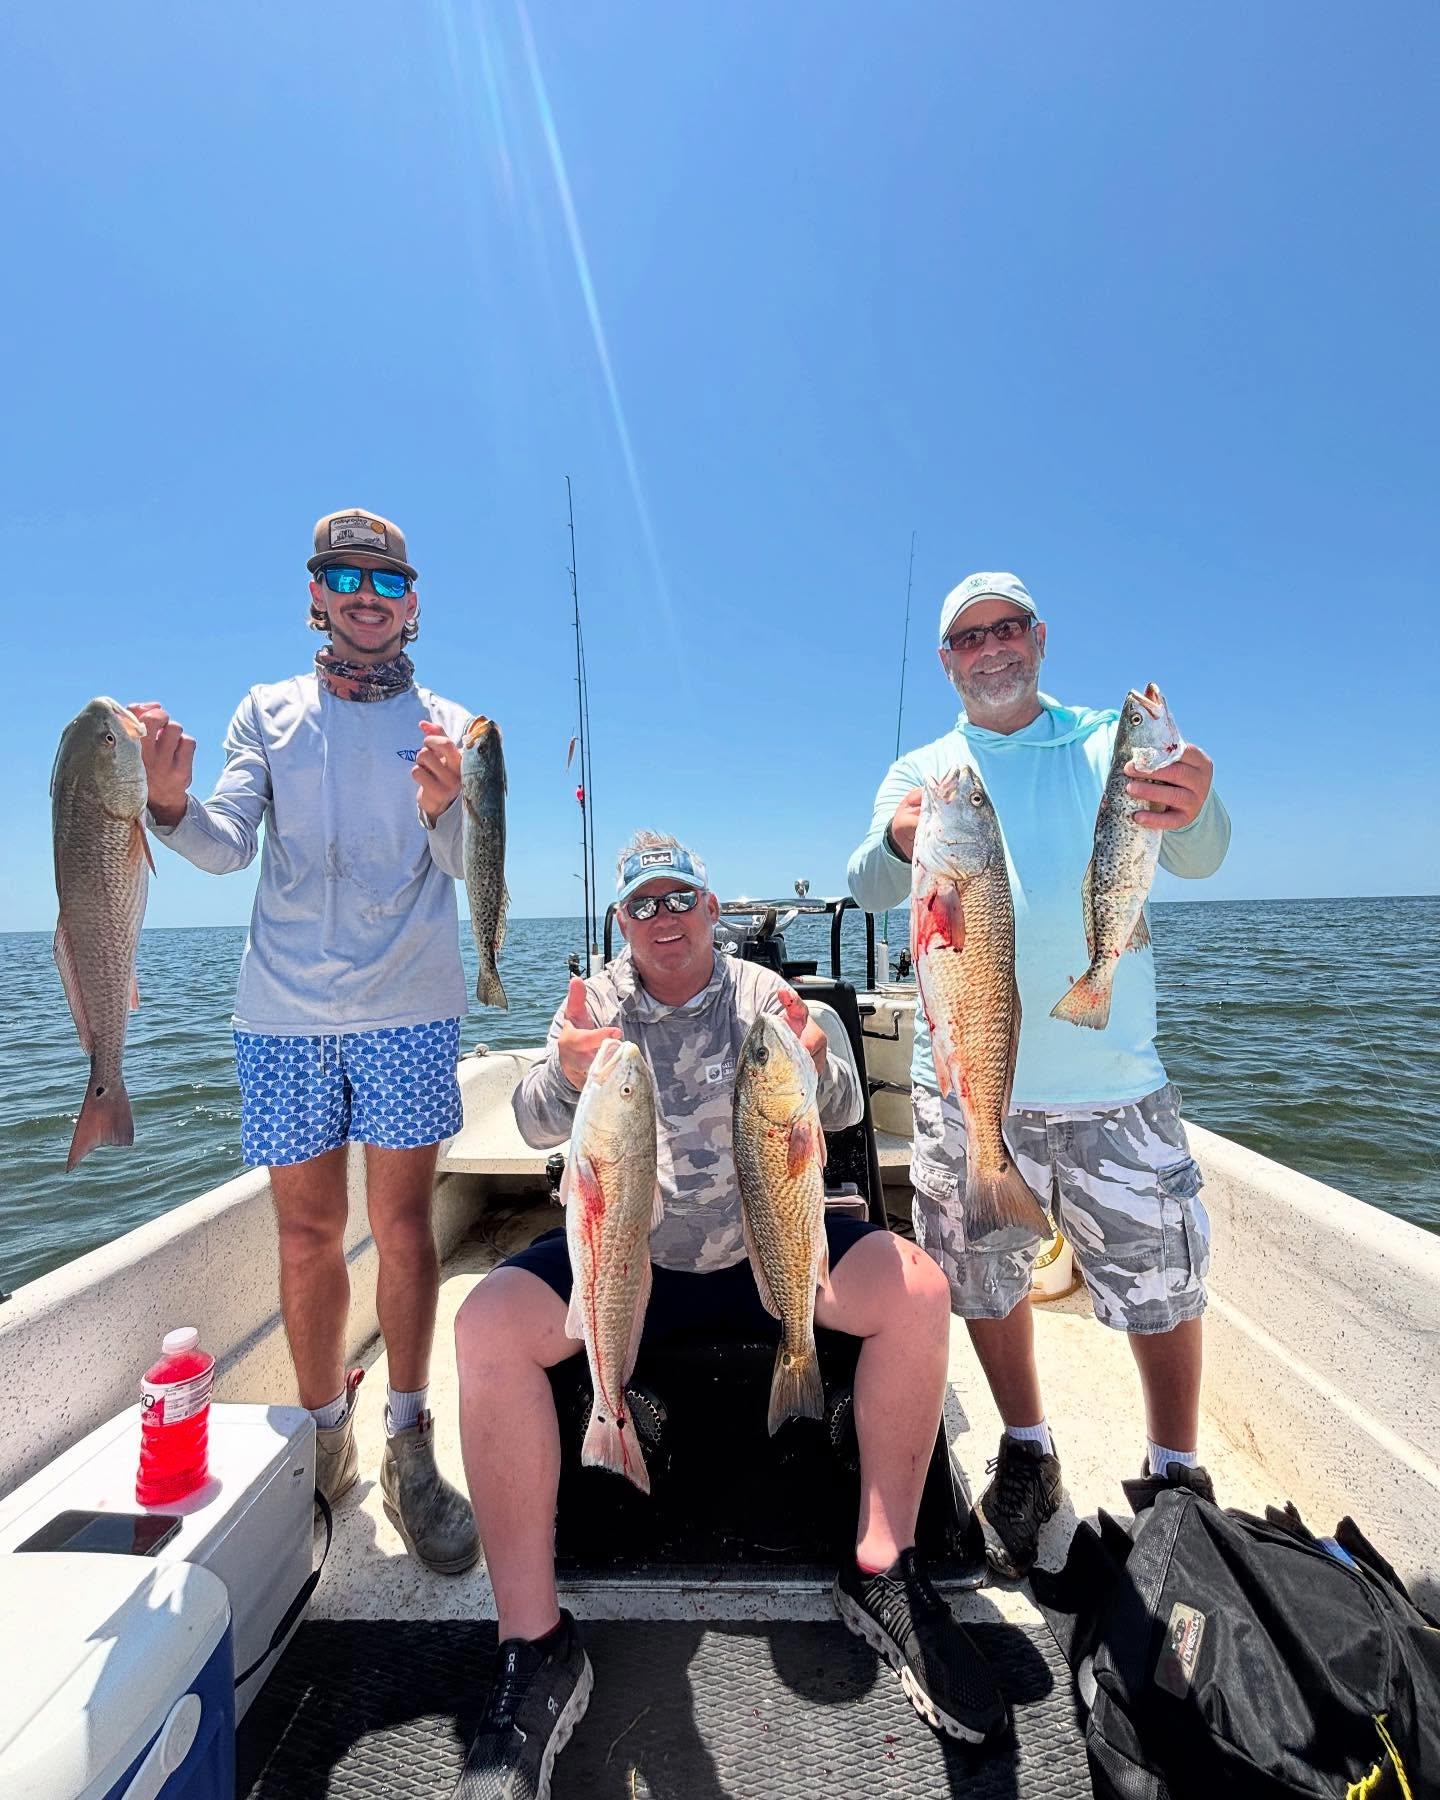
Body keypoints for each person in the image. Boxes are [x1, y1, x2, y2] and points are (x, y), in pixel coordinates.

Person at [452, 832, 1010, 1799]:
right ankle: (533, 1641)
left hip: (772, 1244)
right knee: (485, 1325)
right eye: (643, 904)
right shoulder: (594, 1004)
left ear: (712, 910)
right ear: (621, 921)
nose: (664, 918)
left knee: (919, 1291)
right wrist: (568, 1071)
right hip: (632, 1261)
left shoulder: (764, 999)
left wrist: (818, 1056)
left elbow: (841, 1106)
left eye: (681, 899)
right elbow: (537, 1120)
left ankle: (883, 1564)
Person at [849, 571, 1231, 1580]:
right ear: (946, 661)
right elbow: (868, 881)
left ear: (1040, 636)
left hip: (1116, 1084)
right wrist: (898, 837)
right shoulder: (926, 770)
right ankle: (1027, 1451)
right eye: (969, 638)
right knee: (981, 1278)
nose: (991, 649)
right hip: (968, 1090)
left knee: (1162, 1285)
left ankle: (1177, 1469)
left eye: (1007, 628)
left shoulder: (1111, 742)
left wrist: (1195, 807)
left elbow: (1200, 854)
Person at [129, 508, 479, 1574]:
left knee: (406, 1228)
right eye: (345, 574)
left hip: (410, 1009)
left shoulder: (448, 723)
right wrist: (167, 801)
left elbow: (468, 863)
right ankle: (326, 1433)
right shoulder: (266, 710)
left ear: (412, 603)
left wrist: (449, 807)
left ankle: (409, 1440)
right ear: (317, 595)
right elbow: (225, 843)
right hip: (283, 1017)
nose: (368, 594)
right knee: (305, 1234)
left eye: (388, 579)